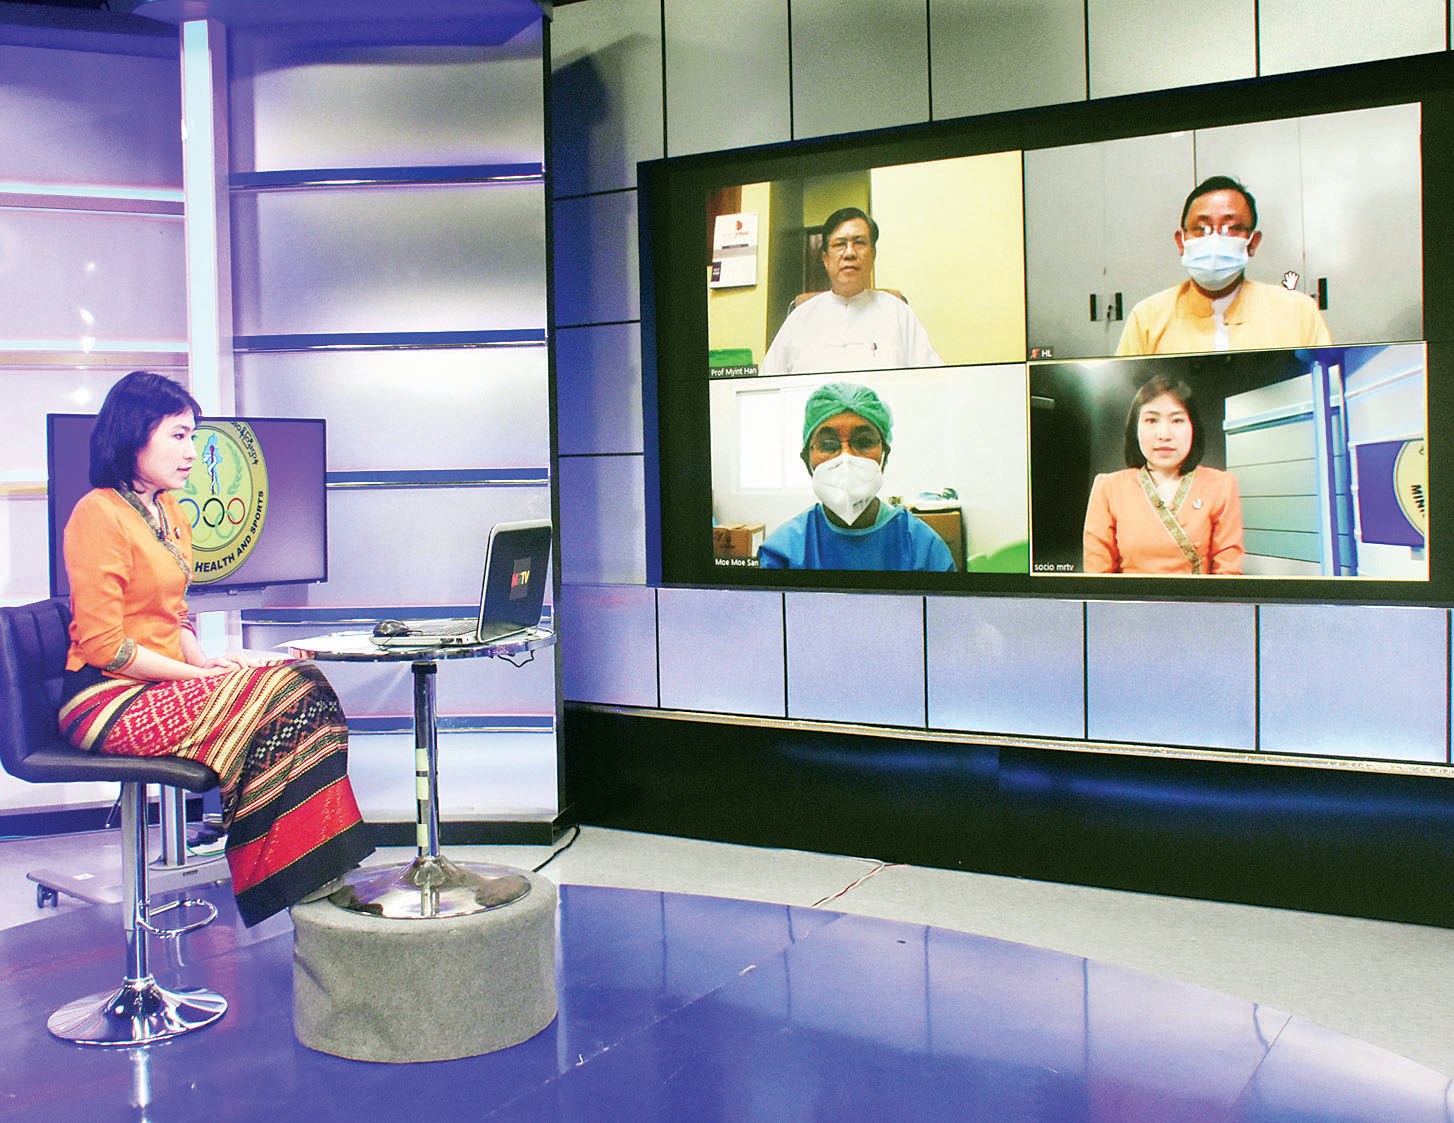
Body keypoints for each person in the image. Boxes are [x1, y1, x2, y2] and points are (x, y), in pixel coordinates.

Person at [56, 371, 373, 926]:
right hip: (107, 698)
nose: (191, 451)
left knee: (305, 683)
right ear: (134, 434)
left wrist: (205, 661)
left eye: (193, 436)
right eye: (178, 435)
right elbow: (106, 646)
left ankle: (319, 870)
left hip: (163, 684)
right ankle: (293, 880)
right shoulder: (98, 513)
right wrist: (196, 678)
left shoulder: (171, 511)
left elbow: (172, 614)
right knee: (282, 695)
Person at [1116, 176, 1331, 356]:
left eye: (1231, 227)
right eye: (1201, 228)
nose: (1215, 239)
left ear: (1253, 243)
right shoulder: (1147, 318)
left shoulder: (1298, 312)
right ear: (1181, 242)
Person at [758, 381, 955, 571]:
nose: (846, 458)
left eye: (864, 442)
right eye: (828, 445)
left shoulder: (924, 549)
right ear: (806, 459)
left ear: (884, 455)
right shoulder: (783, 553)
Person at [1082, 375, 1244, 574]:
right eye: (1151, 420)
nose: (1164, 434)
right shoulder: (1108, 488)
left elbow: (1228, 572)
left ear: (1193, 427)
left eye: (1177, 420)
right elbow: (1098, 576)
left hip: (1199, 596)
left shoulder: (1221, 485)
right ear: (1135, 428)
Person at [759, 207, 943, 375]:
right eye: (840, 244)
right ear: (825, 258)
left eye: (859, 243)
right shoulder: (799, 318)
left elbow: (934, 379)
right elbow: (768, 382)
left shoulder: (899, 313)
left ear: (873, 255)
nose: (849, 253)